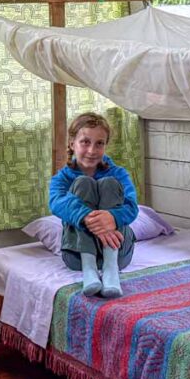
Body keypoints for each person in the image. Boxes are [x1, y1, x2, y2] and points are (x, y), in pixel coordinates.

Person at [49, 112, 138, 298]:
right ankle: (89, 270)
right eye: (85, 142)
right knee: (83, 183)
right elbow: (56, 203)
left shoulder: (119, 173)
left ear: (106, 146)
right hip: (77, 256)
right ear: (72, 143)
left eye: (99, 143)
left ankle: (110, 269)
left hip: (119, 253)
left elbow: (132, 207)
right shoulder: (61, 179)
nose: (92, 150)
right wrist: (90, 218)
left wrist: (112, 217)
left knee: (110, 183)